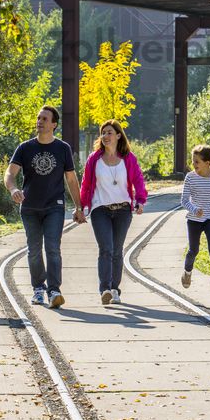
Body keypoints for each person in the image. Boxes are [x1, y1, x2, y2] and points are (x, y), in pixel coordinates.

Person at [4, 105, 85, 309]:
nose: (39, 121)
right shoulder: (25, 147)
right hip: (29, 207)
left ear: (54, 124)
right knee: (33, 250)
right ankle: (38, 289)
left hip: (54, 207)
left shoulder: (62, 148)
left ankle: (54, 290)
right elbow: (9, 174)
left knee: (52, 248)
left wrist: (78, 206)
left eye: (44, 119)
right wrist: (13, 189)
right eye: (38, 118)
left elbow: (71, 179)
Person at [80, 119, 147, 305]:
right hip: (100, 210)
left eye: (109, 132)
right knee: (106, 249)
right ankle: (105, 289)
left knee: (117, 251)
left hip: (123, 211)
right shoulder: (94, 159)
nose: (105, 136)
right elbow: (86, 184)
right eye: (103, 133)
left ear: (118, 135)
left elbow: (138, 181)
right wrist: (82, 206)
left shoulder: (128, 158)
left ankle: (115, 289)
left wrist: (140, 200)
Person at [180, 144, 210, 297]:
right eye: (193, 161)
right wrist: (194, 209)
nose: (193, 165)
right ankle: (187, 272)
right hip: (194, 220)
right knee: (194, 250)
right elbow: (184, 201)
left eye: (197, 162)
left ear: (207, 163)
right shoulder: (190, 177)